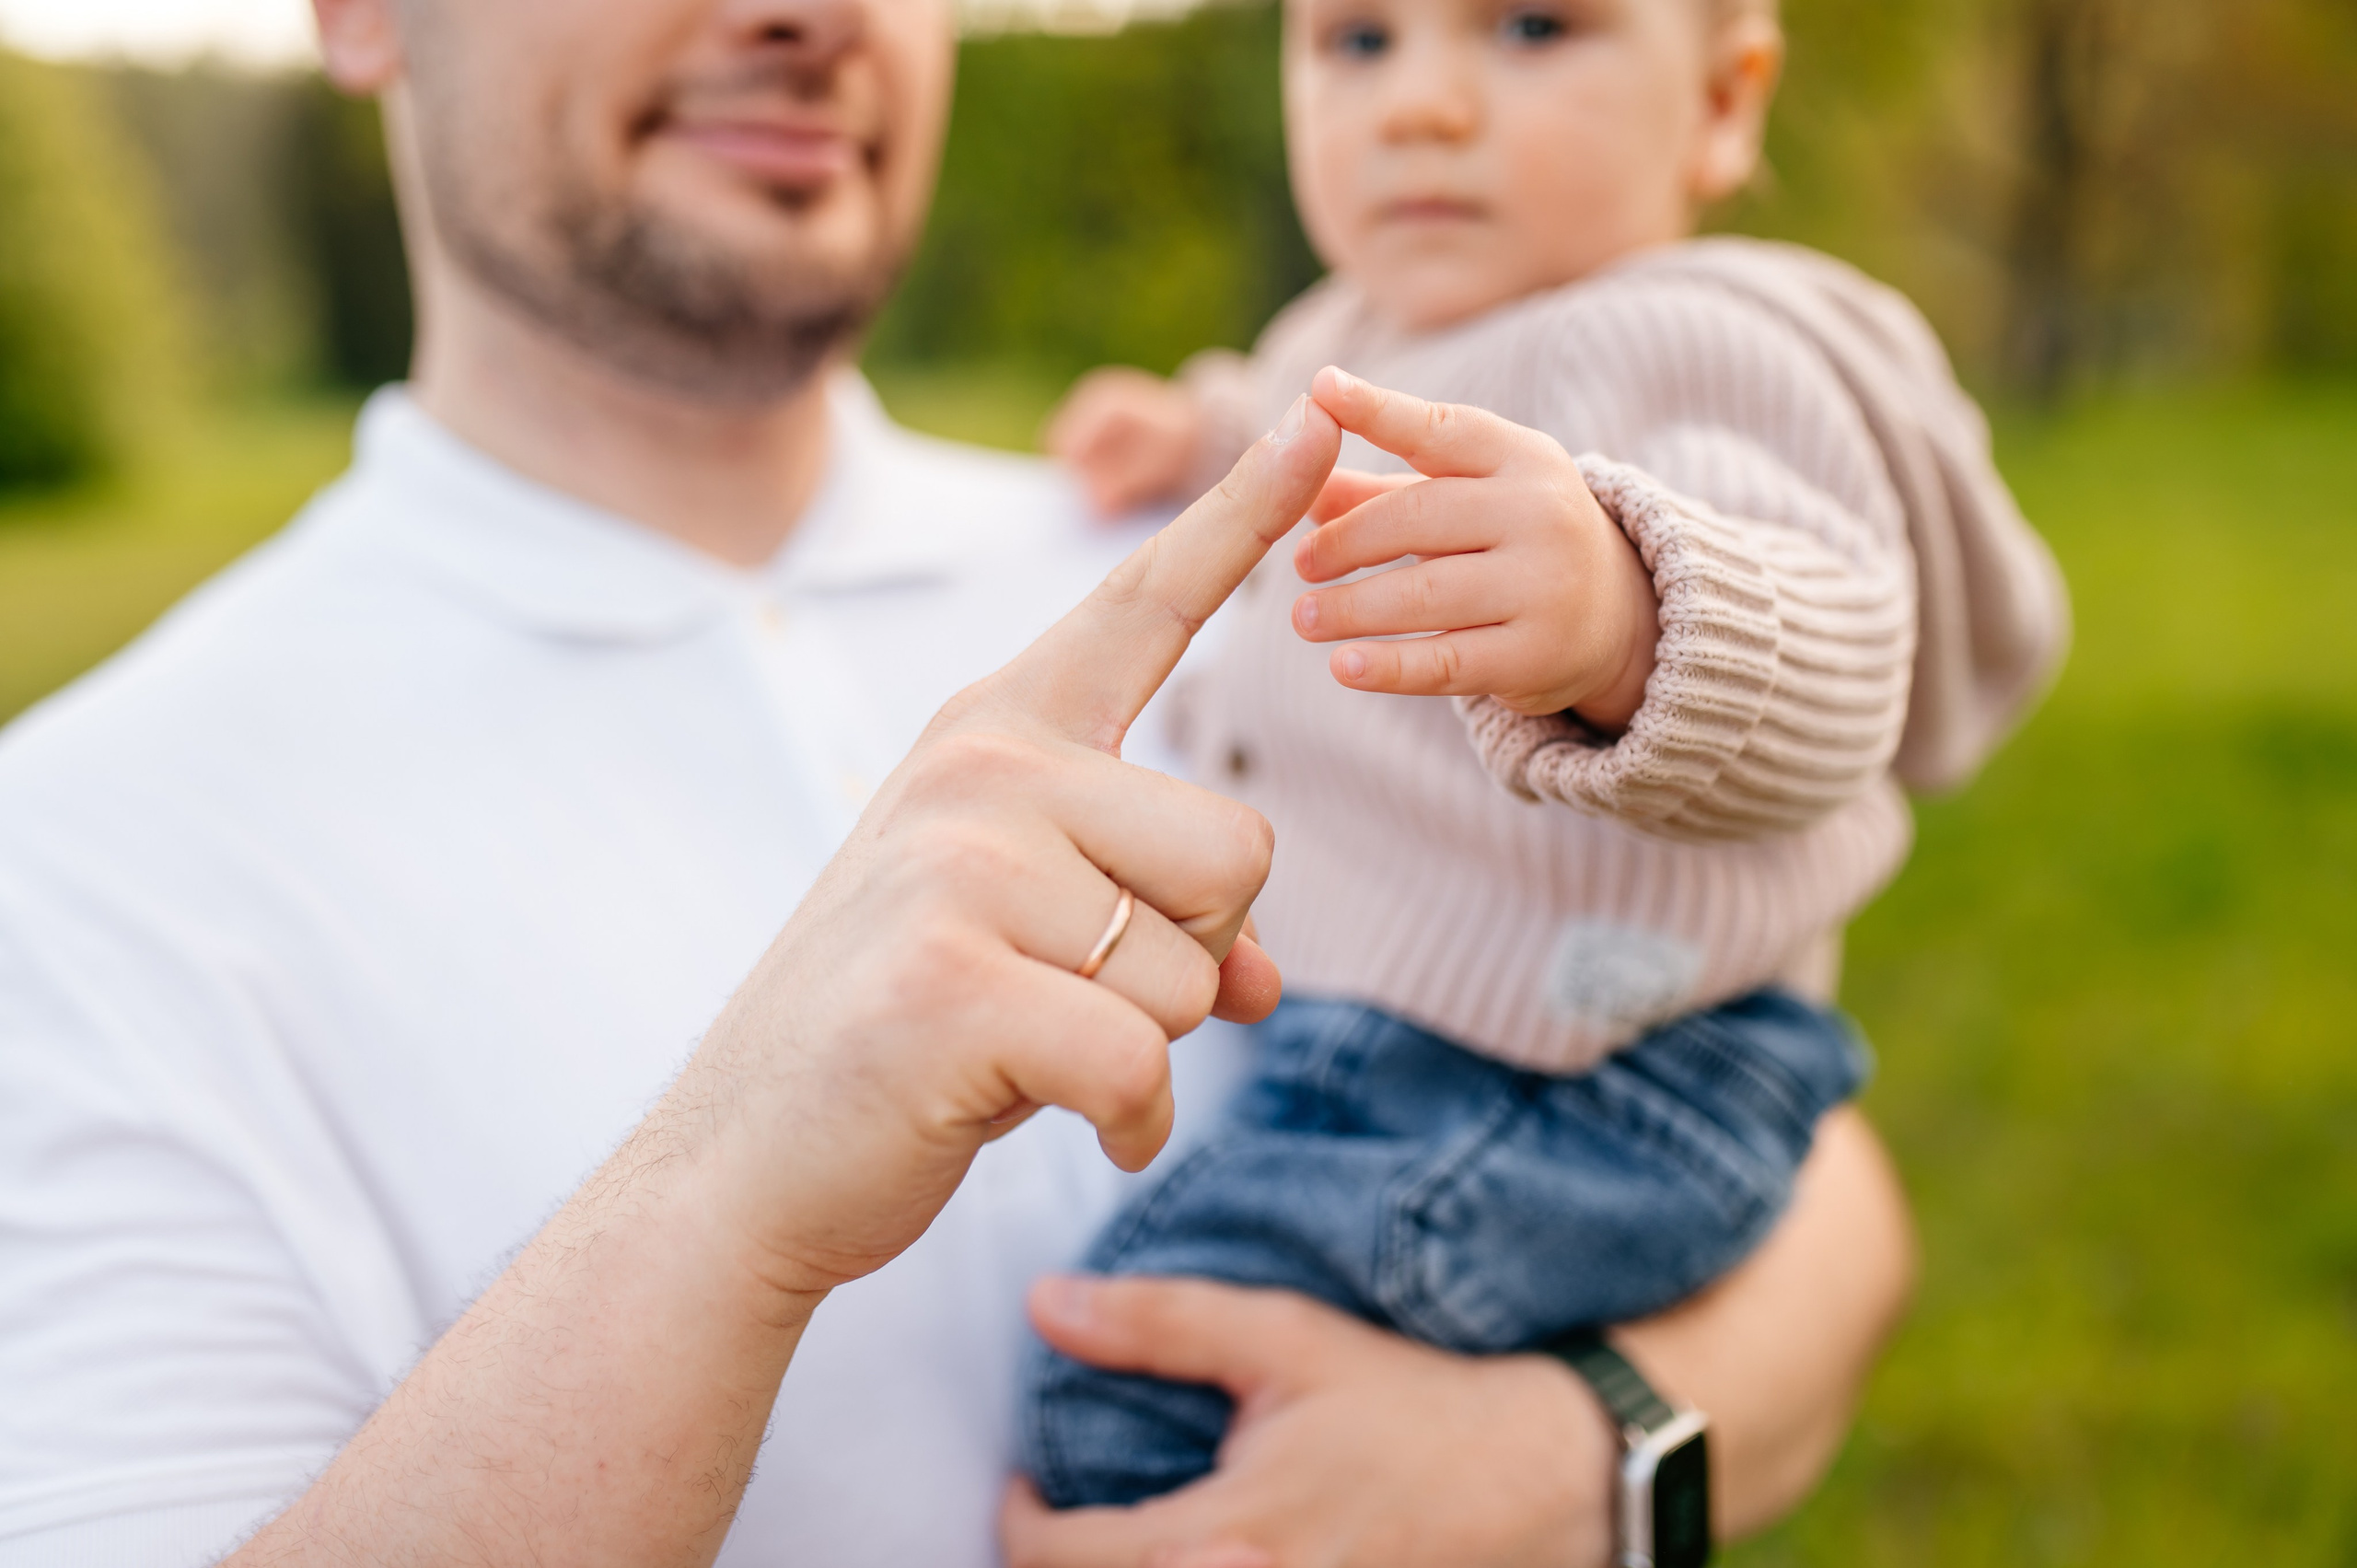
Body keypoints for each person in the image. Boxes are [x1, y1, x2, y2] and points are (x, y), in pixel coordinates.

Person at [0, 0, 1916, 1565]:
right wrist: (718, 1200)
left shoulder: (1266, 559)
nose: (805, 16)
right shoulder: (77, 865)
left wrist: (1566, 1465)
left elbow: (1820, 1177)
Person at [1027, 0, 2070, 1516]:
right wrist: (1196, 435)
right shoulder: (1355, 330)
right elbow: (1303, 423)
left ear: (1722, 101)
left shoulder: (1696, 338)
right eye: (1358, 43)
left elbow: (1852, 656)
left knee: (1134, 1398)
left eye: (1530, 28)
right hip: (1431, 1053)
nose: (1423, 107)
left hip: (1591, 1073)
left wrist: (1628, 612)